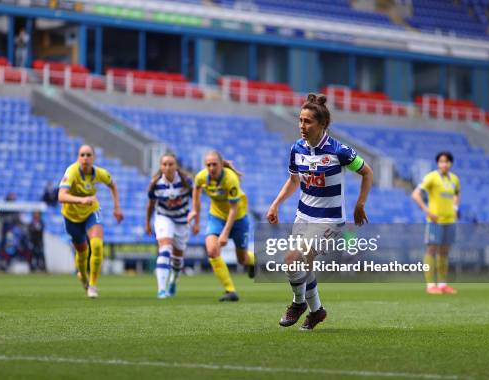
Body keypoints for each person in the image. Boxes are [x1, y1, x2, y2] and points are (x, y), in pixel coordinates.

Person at [267, 93, 373, 330]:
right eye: (300, 120)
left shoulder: (339, 151)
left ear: (322, 124)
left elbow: (367, 172)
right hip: (303, 215)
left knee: (292, 259)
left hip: (329, 220)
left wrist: (360, 204)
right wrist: (275, 204)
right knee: (303, 266)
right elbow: (294, 181)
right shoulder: (297, 149)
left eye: (308, 121)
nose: (302, 126)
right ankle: (317, 311)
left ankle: (298, 303)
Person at [188, 151, 255, 302]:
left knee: (242, 260)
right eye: (208, 165)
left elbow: (233, 208)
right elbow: (196, 192)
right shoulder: (201, 177)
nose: (211, 168)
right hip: (216, 216)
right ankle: (230, 290)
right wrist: (195, 215)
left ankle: (254, 261)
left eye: (214, 164)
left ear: (221, 164)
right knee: (212, 250)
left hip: (238, 219)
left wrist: (225, 234)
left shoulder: (230, 179)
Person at [58, 145, 123, 298]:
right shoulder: (72, 171)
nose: (85, 158)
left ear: (93, 158)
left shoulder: (100, 173)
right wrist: (82, 200)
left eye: (88, 155)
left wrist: (117, 208)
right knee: (82, 253)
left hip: (91, 212)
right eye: (82, 155)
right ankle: (84, 279)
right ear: (78, 158)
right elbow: (61, 196)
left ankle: (93, 285)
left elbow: (113, 185)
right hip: (71, 217)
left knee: (97, 245)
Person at [411, 151, 460, 295]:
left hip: (450, 221)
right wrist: (427, 211)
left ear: (451, 163)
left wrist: (455, 207)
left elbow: (457, 193)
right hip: (435, 222)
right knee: (431, 251)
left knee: (444, 252)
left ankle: (443, 285)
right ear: (438, 163)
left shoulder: (454, 179)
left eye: (446, 161)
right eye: (441, 161)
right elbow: (415, 194)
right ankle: (430, 285)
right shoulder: (432, 177)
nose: (444, 164)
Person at [145, 153, 192, 299]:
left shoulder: (186, 181)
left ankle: (173, 280)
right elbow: (151, 205)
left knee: (177, 260)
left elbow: (196, 200)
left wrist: (195, 219)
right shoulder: (155, 184)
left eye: (171, 164)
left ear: (176, 165)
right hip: (163, 217)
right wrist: (147, 222)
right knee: (165, 249)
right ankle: (161, 290)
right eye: (164, 164)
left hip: (182, 221)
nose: (167, 167)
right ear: (161, 166)